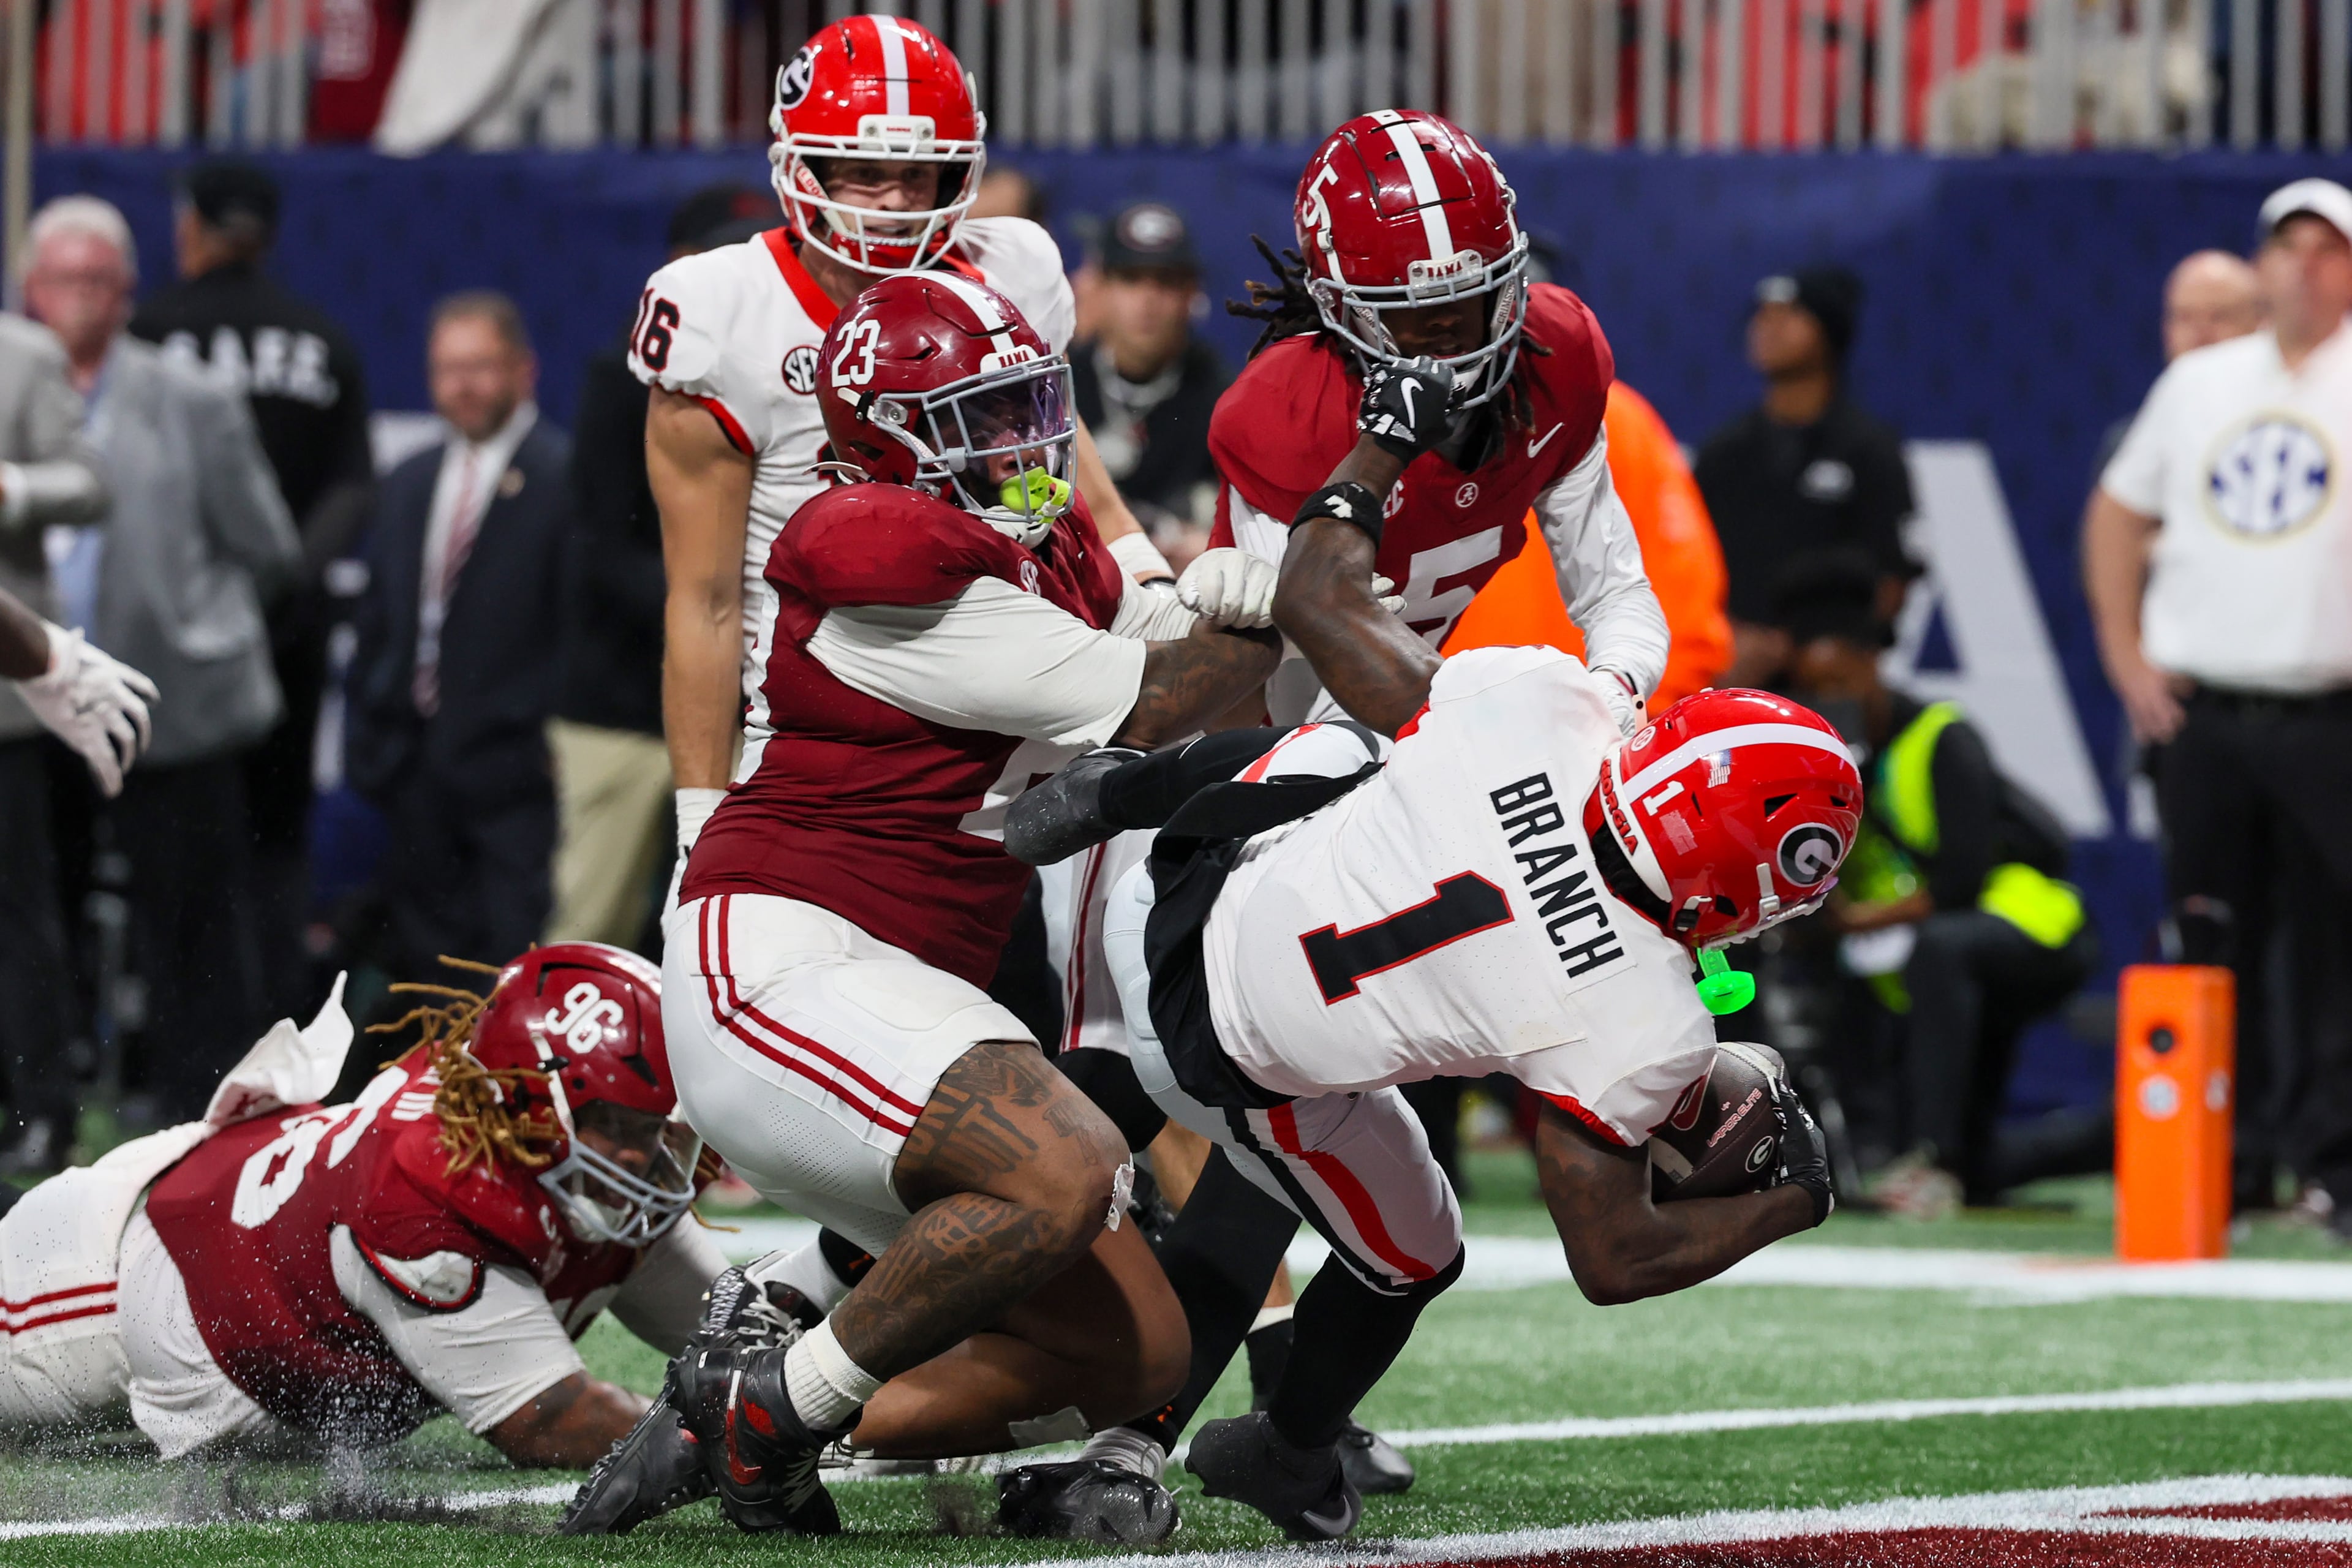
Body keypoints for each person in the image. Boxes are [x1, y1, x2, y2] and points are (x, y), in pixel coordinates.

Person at [1001, 352, 1847, 1538]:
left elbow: (1320, 599)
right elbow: (1612, 1254)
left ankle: (1119, 787)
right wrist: (1793, 1198)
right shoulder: (1648, 1021)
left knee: (1351, 743)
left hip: (1191, 869)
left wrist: (1381, 447)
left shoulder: (1548, 708)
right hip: (1243, 1054)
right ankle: (1285, 1443)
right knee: (1411, 1245)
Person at [559, 272, 1284, 1541]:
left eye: (1026, 406)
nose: (1020, 444)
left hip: (905, 998)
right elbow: (1165, 700)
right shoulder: (879, 551)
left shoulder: (1040, 540)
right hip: (781, 954)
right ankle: (775, 1408)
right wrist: (1281, 596)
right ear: (886, 439)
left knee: (1142, 1355)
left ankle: (729, 1385)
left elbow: (1198, 669)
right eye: (976, 416)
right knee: (1066, 1162)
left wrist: (1227, 602)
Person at [634, 13, 1174, 933]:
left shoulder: (1015, 267)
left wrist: (1151, 581)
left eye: (915, 174)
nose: (890, 202)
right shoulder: (725, 312)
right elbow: (707, 600)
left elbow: (1061, 474)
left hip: (1007, 693)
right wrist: (701, 808)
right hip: (823, 732)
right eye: (863, 172)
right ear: (801, 168)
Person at [0, 942, 733, 1471]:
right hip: (116, 1279)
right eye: (628, 1126)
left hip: (226, 1207)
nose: (654, 1156)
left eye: (661, 1125)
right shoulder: (428, 1206)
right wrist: (746, 1432)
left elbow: (753, 1344)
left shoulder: (577, 1172)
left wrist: (813, 1390)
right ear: (533, 1111)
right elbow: (550, 1419)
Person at [2083, 179, 2352, 1222]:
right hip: (2208, 720)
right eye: (2288, 248)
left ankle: (2332, 1169)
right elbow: (2117, 513)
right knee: (2205, 945)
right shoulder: (2203, 384)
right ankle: (2219, 1166)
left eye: (2327, 250)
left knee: (2336, 949)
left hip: (2330, 714)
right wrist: (2126, 654)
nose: (2305, 267)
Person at [23, 195, 301, 1131]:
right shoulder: (14, 385)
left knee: (191, 923)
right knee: (31, 913)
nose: (80, 296)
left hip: (166, 700)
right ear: (30, 289)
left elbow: (266, 544)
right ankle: (39, 1106)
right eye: (63, 277)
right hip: (24, 706)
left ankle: (205, 1118)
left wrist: (206, 629)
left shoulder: (191, 397)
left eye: (99, 279)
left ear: (130, 291)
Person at [128, 159, 377, 1028]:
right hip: (285, 634)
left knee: (162, 851)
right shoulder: (319, 338)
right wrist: (285, 582)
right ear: (267, 233)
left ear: (188, 226)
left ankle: (166, 1050)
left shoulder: (145, 338)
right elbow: (353, 487)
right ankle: (274, 1038)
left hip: (161, 643)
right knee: (275, 845)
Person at [1776, 556, 2093, 1216]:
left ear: (1871, 665)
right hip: (1919, 944)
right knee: (1985, 1156)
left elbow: (1960, 881)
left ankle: (1935, 1160)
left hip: (2031, 924)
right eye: (1814, 687)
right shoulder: (1817, 764)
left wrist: (1856, 923)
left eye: (1839, 679)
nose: (1829, 696)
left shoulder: (1941, 736)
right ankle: (1903, 1153)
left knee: (1940, 951)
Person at [546, 186, 766, 951]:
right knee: (588, 930)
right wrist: (733, 622)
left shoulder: (786, 376)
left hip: (747, 709)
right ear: (678, 267)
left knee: (739, 932)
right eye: (720, 255)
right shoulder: (622, 374)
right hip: (621, 705)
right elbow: (605, 548)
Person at [347, 292, 570, 989]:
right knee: (428, 976)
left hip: (518, 776)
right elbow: (382, 617)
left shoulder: (564, 478)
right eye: (447, 368)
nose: (462, 386)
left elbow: (572, 628)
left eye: (479, 366)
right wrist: (375, 743)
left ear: (523, 370)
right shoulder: (411, 480)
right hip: (415, 771)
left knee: (511, 968)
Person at [0, 309, 112, 1172]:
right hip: (29, 661)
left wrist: (13, 489)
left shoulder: (26, 355)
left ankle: (40, 1105)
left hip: (10, 692)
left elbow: (87, 482)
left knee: (19, 909)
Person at [1446, 380, 1733, 710]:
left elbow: (1685, 614)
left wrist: (1628, 732)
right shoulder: (1383, 422)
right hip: (1416, 738)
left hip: (1594, 740)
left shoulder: (1607, 414)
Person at [1694, 265, 1916, 687]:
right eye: (1762, 314)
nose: (1768, 326)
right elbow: (1688, 568)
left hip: (1835, 675)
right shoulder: (1723, 453)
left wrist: (1824, 648)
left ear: (1830, 332)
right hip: (1736, 671)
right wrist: (1730, 643)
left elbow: (1895, 574)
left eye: (1790, 313)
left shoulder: (1869, 450)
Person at [1070, 202, 1231, 551]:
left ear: (1192, 293)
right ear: (1102, 289)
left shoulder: (1224, 398)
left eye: (1166, 282)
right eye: (1130, 279)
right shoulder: (1061, 385)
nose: (1147, 300)